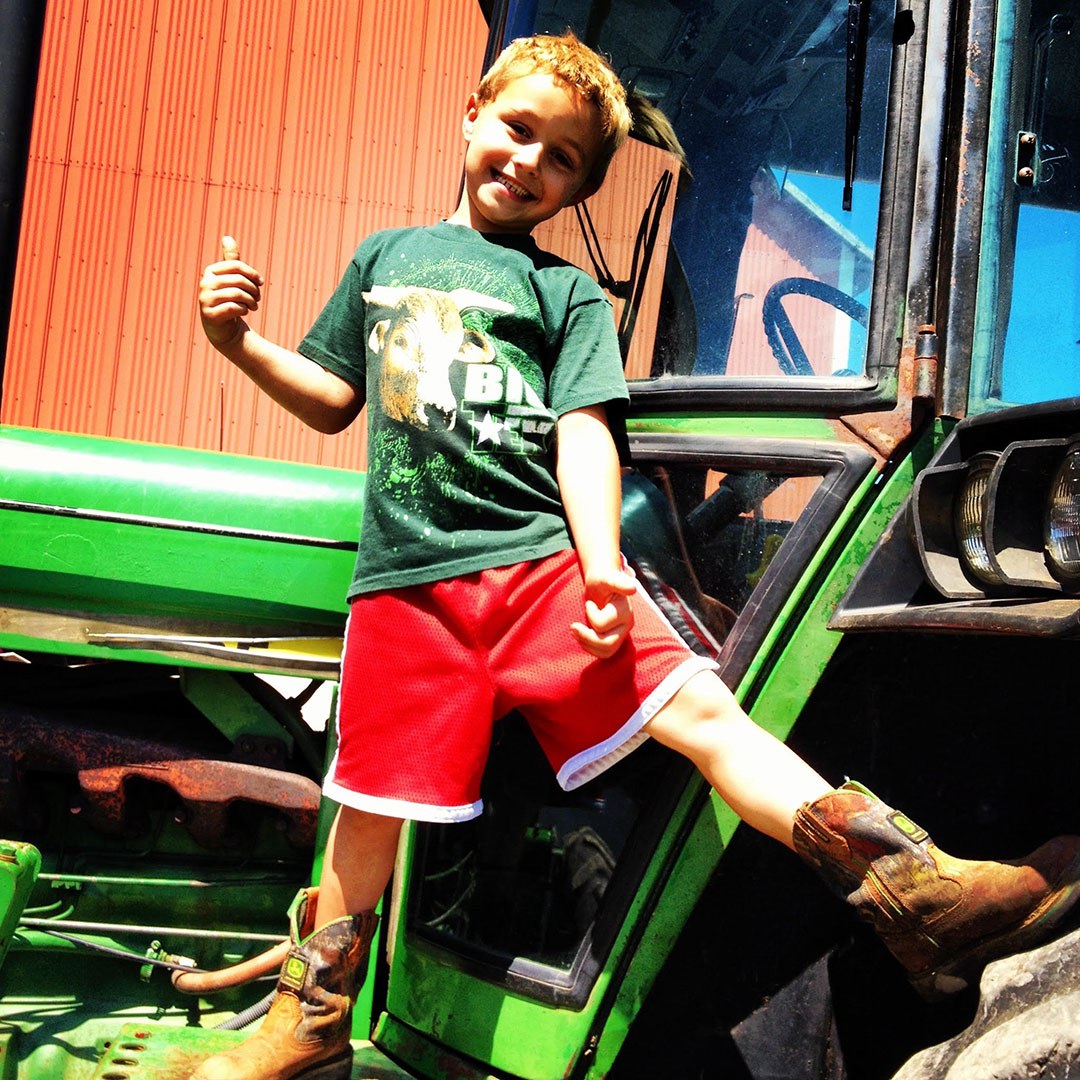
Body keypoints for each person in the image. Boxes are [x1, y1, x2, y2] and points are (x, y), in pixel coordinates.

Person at [193, 32, 1080, 1080]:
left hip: (539, 569)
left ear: (577, 187)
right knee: (371, 804)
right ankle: (311, 1019)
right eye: (519, 130)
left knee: (709, 717)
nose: (529, 162)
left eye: (562, 157)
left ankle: (919, 894)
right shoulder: (386, 259)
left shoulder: (565, 296)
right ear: (473, 113)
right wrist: (243, 346)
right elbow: (338, 399)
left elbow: (583, 432)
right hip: (410, 591)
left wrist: (604, 561)